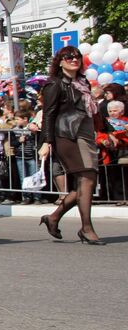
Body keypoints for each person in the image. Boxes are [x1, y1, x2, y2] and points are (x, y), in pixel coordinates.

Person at [38, 46, 105, 245]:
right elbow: (48, 115)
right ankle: (86, 228)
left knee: (87, 181)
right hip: (66, 135)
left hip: (85, 134)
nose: (74, 59)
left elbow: (90, 112)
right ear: (60, 61)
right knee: (86, 178)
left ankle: (54, 217)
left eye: (77, 56)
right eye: (68, 57)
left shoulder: (82, 82)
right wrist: (46, 142)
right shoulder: (55, 84)